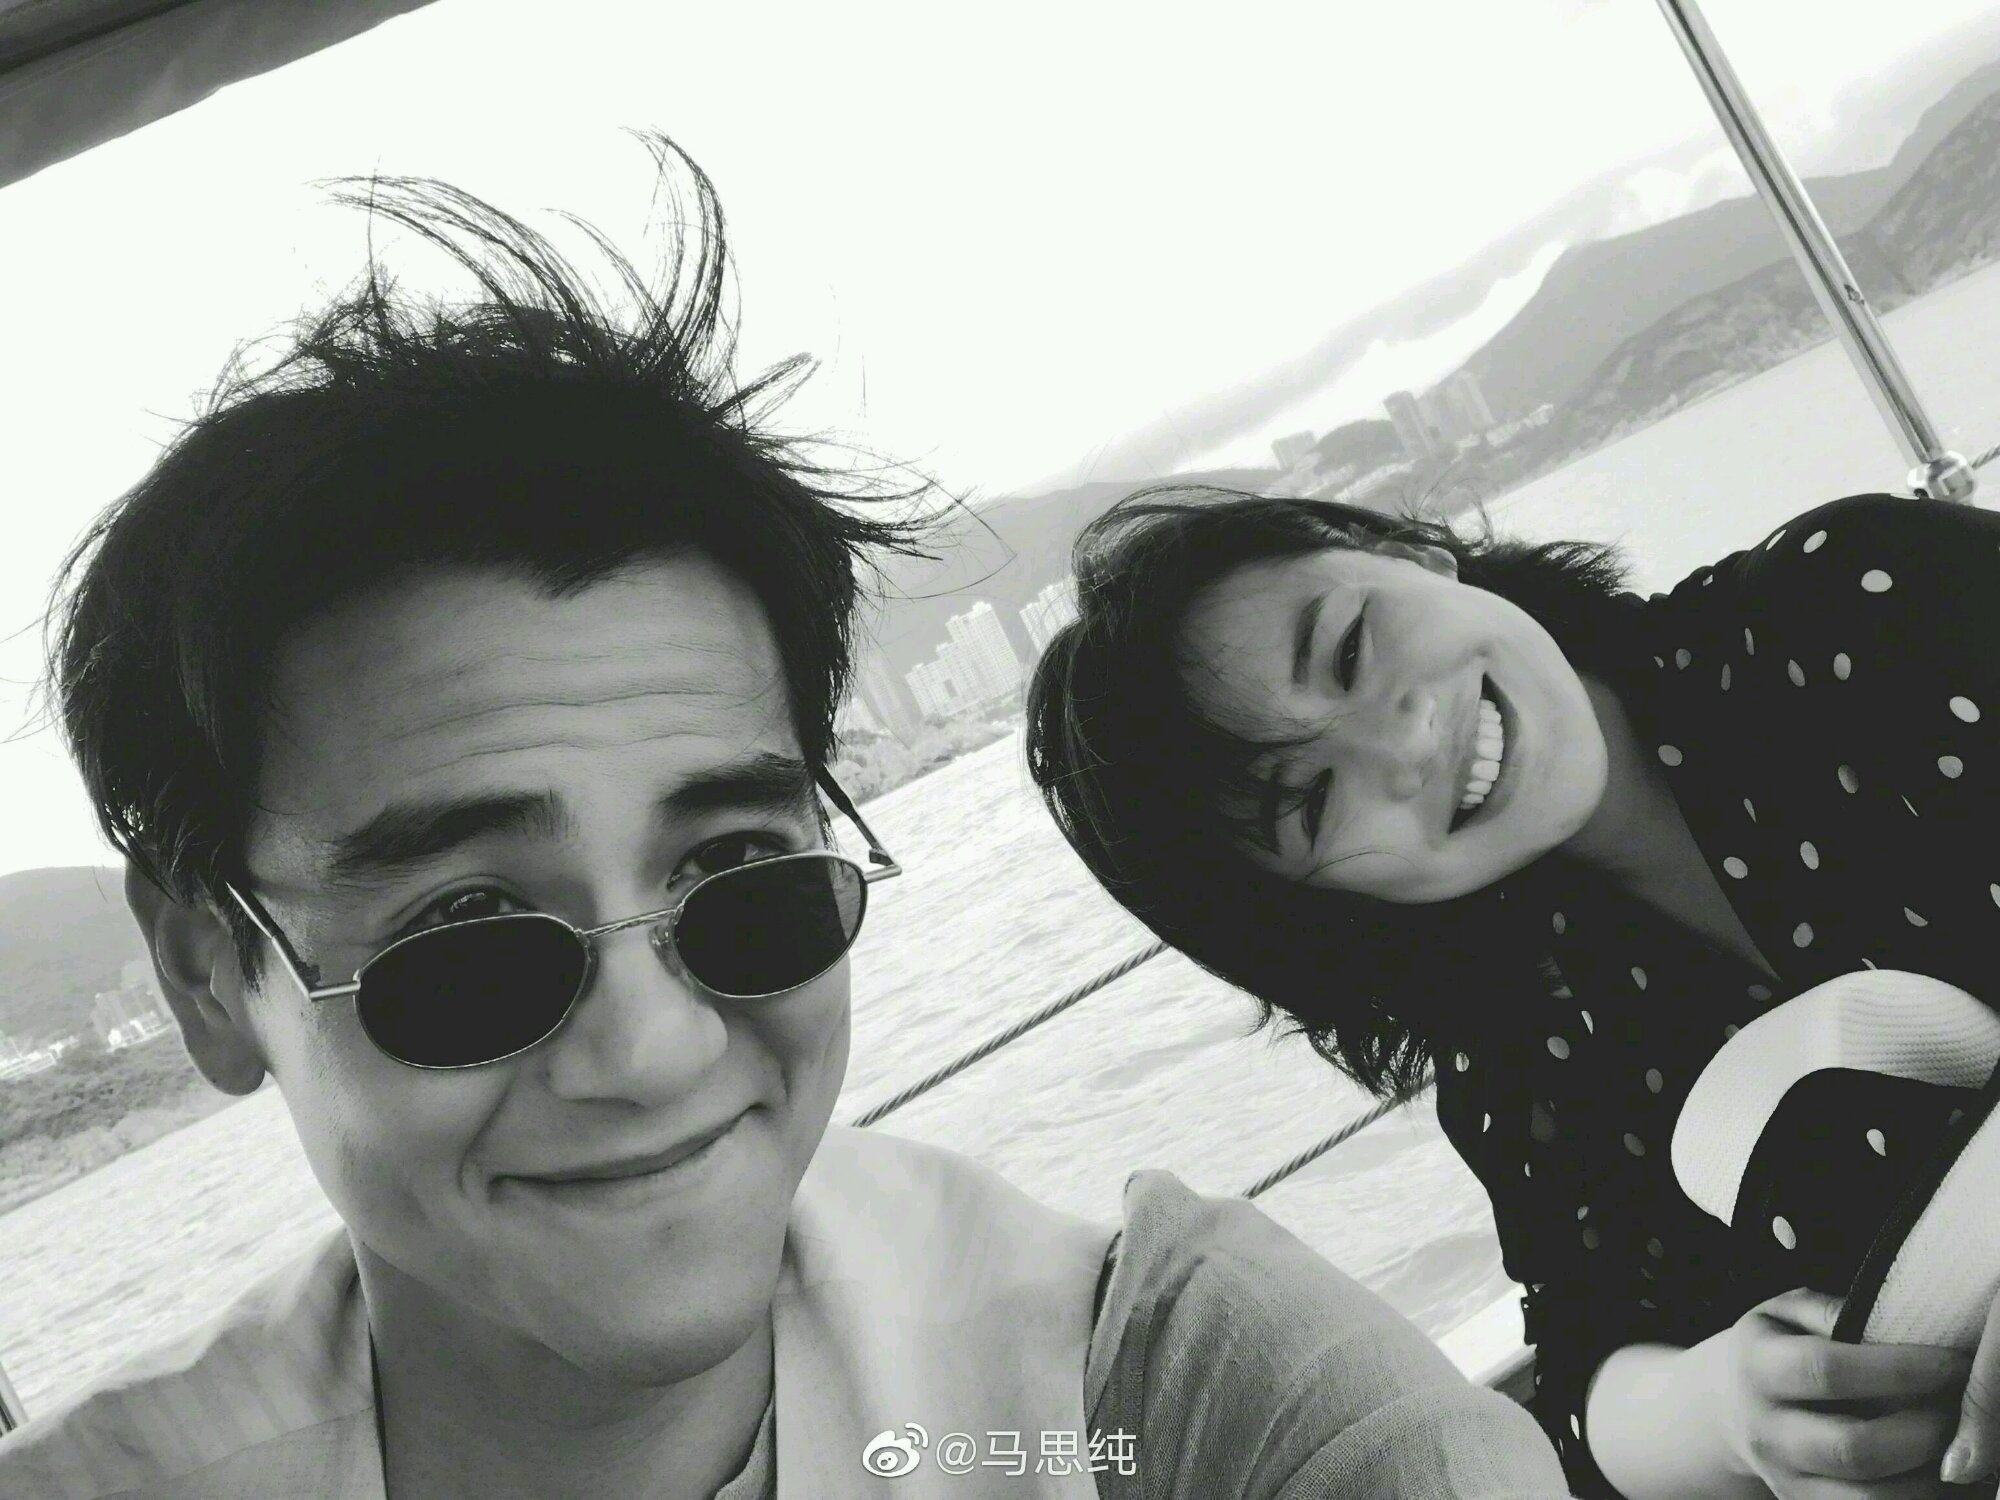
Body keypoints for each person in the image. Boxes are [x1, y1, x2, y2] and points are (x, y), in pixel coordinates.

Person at [0, 144, 1572, 1500]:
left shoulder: (1128, 1392)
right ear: (211, 973)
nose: (653, 1052)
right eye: (468, 936)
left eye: (738, 876)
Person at [1025, 484, 2000, 1500]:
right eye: (1312, 804)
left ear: (1405, 552)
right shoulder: (1519, 1042)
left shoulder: (1856, 598)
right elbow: (1583, 1364)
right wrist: (1724, 1412)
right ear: (1320, 903)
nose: (1406, 749)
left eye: (1351, 650)